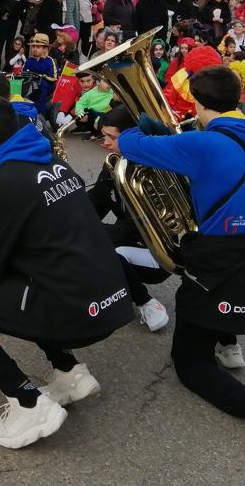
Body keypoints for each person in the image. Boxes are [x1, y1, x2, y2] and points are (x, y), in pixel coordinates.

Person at [117, 66, 245, 455]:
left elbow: (130, 144)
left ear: (198, 102)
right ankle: (228, 343)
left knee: (189, 364)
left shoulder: (204, 144)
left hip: (215, 260)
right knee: (221, 299)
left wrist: (143, 126)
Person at [0, 99, 135, 449]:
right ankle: (68, 372)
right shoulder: (53, 163)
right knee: (25, 273)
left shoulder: (2, 184)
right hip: (109, 298)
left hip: (76, 312)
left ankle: (28, 402)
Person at [91, 105, 171, 331]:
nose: (104, 142)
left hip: (159, 254)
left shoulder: (156, 170)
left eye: (110, 137)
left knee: (102, 248)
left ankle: (147, 303)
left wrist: (92, 233)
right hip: (130, 239)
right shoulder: (115, 162)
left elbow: (142, 224)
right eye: (103, 135)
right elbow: (98, 199)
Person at [22, 33, 60, 114]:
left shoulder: (49, 61)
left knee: (42, 85)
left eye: (38, 47)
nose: (35, 49)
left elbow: (54, 77)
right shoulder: (29, 60)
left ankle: (40, 113)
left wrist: (41, 77)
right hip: (31, 85)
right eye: (33, 46)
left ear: (45, 48)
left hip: (45, 86)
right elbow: (23, 73)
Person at [73, 72, 113, 138]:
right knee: (84, 112)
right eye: (105, 82)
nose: (109, 85)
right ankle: (93, 131)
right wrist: (80, 112)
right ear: (98, 82)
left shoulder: (113, 92)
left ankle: (102, 132)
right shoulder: (90, 93)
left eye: (110, 82)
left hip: (107, 115)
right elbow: (80, 103)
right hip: (94, 115)